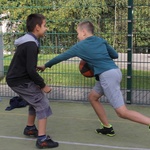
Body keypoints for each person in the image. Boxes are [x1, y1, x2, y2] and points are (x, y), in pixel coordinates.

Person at [37, 20, 150, 137]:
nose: (77, 36)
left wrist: (45, 65)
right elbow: (115, 55)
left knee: (122, 112)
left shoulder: (80, 46)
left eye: (78, 33)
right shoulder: (101, 40)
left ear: (84, 32)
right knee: (92, 97)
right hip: (114, 72)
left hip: (107, 76)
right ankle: (107, 127)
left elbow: (61, 57)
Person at [6, 14, 59, 148]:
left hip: (17, 78)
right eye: (44, 25)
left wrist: (35, 69)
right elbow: (30, 70)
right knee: (42, 103)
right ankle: (42, 139)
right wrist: (43, 85)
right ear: (37, 27)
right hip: (19, 80)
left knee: (35, 100)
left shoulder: (29, 42)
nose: (46, 28)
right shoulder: (31, 44)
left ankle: (30, 128)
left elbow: (26, 65)